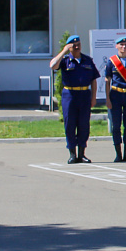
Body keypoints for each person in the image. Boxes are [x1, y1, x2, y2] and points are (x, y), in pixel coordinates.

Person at [49, 35, 100, 163]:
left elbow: (94, 79)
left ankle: (82, 154)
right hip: (69, 95)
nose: (77, 47)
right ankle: (72, 153)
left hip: (84, 95)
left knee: (83, 125)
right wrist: (64, 51)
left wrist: (93, 97)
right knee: (70, 124)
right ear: (69, 47)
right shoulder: (65, 60)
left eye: (78, 44)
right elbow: (53, 65)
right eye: (73, 45)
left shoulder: (87, 60)